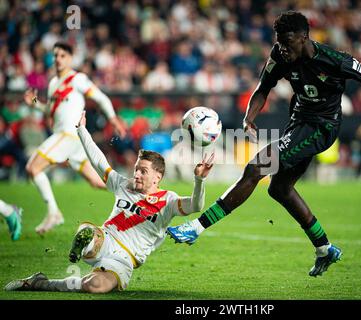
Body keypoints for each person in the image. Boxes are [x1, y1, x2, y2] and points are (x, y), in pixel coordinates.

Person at [167, 11, 361, 277]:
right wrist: (248, 118)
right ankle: (324, 248)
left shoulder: (334, 60)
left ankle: (196, 228)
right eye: (279, 42)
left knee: (255, 168)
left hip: (321, 127)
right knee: (280, 189)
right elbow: (263, 87)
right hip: (297, 122)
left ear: (304, 38)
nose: (282, 48)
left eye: (287, 42)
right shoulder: (280, 55)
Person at [4, 111, 214, 293]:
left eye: (143, 171)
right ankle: (85, 241)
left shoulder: (168, 200)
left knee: (94, 286)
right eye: (136, 169)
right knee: (88, 234)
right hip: (106, 238)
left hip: (126, 258)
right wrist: (82, 131)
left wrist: (199, 179)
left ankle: (39, 283)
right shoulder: (123, 184)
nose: (137, 174)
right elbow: (98, 162)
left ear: (157, 177)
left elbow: (196, 206)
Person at [23, 41, 126, 234]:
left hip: (69, 135)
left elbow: (101, 97)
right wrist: (35, 102)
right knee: (97, 182)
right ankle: (134, 192)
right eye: (55, 55)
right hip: (72, 140)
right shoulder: (54, 83)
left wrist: (112, 119)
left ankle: (54, 212)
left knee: (32, 168)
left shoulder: (77, 79)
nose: (58, 59)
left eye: (62, 56)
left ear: (70, 58)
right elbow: (49, 109)